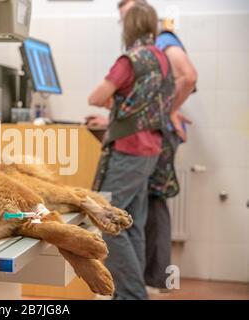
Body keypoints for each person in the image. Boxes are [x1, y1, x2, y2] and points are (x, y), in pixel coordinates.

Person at [87, 3, 175, 300]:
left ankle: (132, 294)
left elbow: (95, 96)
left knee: (107, 219)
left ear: (129, 27)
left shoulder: (130, 60)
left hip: (128, 150)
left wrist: (117, 109)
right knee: (132, 224)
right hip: (152, 151)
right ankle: (129, 294)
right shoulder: (161, 58)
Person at [116, 0, 198, 291]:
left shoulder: (163, 40)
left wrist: (165, 111)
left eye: (128, 17)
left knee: (154, 199)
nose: (126, 24)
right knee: (147, 201)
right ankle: (149, 278)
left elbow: (189, 76)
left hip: (157, 133)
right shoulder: (152, 47)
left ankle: (155, 278)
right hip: (155, 131)